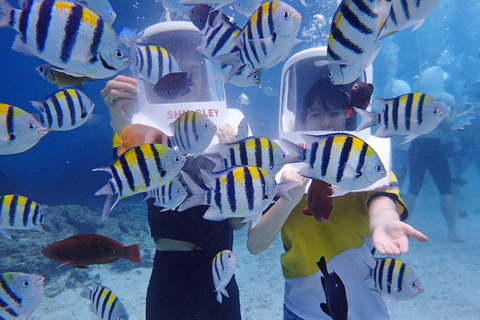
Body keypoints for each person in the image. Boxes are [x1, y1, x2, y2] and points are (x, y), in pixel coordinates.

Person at [247, 48, 429, 320]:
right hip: (300, 310)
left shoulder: (367, 165)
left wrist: (382, 223)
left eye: (333, 112)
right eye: (315, 113)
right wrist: (286, 200)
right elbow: (255, 244)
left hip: (367, 311)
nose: (325, 121)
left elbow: (382, 201)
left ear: (348, 115)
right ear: (302, 119)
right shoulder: (281, 173)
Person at [101, 20, 245, 320]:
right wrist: (120, 124)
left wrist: (236, 165)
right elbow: (128, 188)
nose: (184, 86)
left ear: (207, 75)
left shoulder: (232, 122)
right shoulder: (144, 126)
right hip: (169, 273)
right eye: (173, 78)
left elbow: (238, 223)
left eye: (191, 75)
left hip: (219, 271)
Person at [402, 66, 464, 243]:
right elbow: (448, 126)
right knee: (445, 189)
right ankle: (453, 232)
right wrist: (455, 111)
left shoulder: (413, 103)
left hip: (416, 146)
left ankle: (400, 229)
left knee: (413, 189)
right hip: (434, 147)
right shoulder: (439, 102)